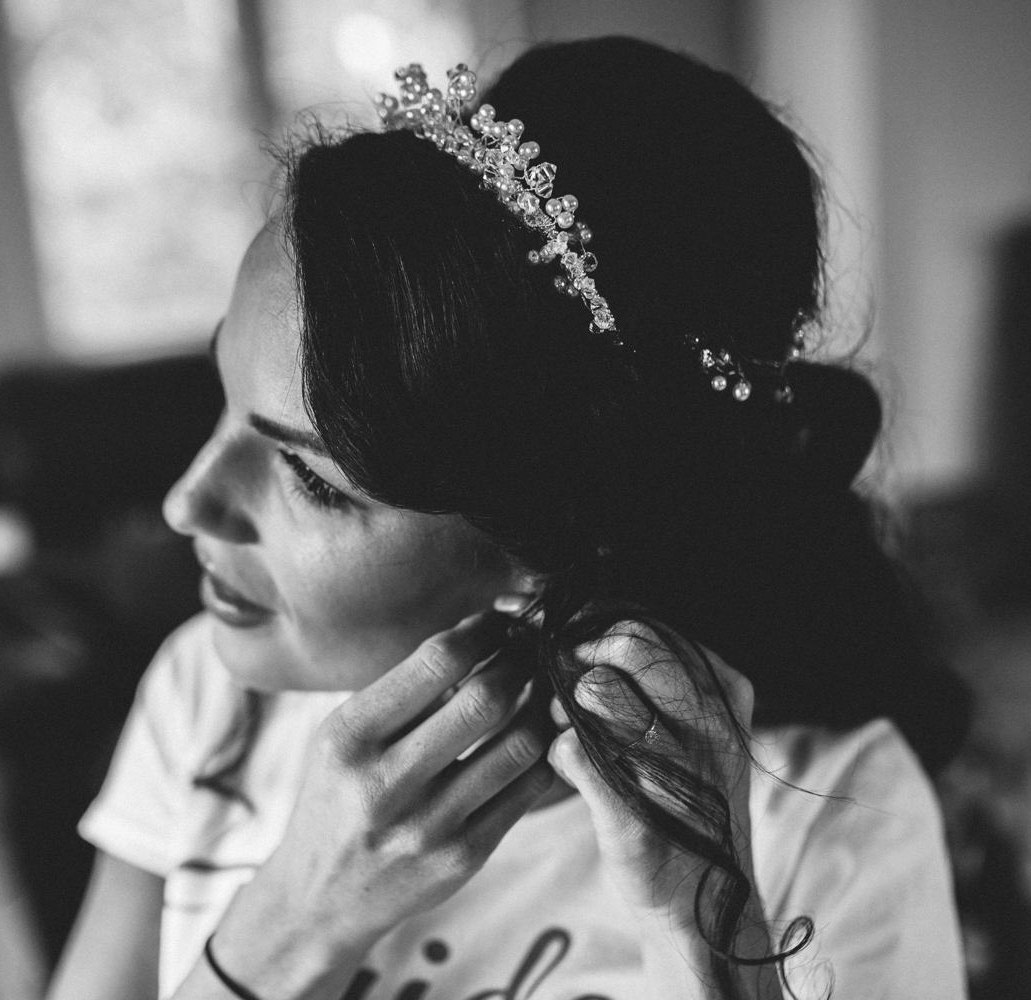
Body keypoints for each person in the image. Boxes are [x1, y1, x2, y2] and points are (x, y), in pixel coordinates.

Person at [47, 36, 971, 1000]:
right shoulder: (206, 694)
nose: (186, 501)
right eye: (223, 393)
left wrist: (705, 930)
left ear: (547, 547)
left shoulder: (833, 812)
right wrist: (290, 922)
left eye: (309, 476)